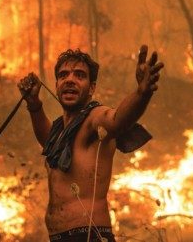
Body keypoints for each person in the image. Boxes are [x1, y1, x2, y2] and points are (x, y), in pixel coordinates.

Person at [18, 45, 163, 242]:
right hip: (59, 237)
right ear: (57, 84)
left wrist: (142, 92)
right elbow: (47, 141)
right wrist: (34, 104)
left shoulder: (94, 118)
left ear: (92, 88)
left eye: (79, 75)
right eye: (63, 75)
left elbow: (117, 121)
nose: (70, 79)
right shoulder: (60, 131)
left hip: (89, 235)